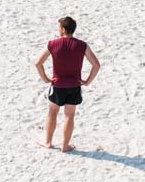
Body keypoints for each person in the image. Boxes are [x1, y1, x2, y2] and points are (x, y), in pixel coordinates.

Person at [35, 16, 100, 153]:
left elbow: (38, 63)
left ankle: (48, 142)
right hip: (74, 86)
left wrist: (46, 78)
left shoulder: (52, 44)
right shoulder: (82, 45)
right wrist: (87, 81)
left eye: (59, 27)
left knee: (52, 112)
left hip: (57, 85)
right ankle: (65, 146)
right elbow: (96, 65)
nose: (58, 29)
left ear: (63, 29)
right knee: (69, 116)